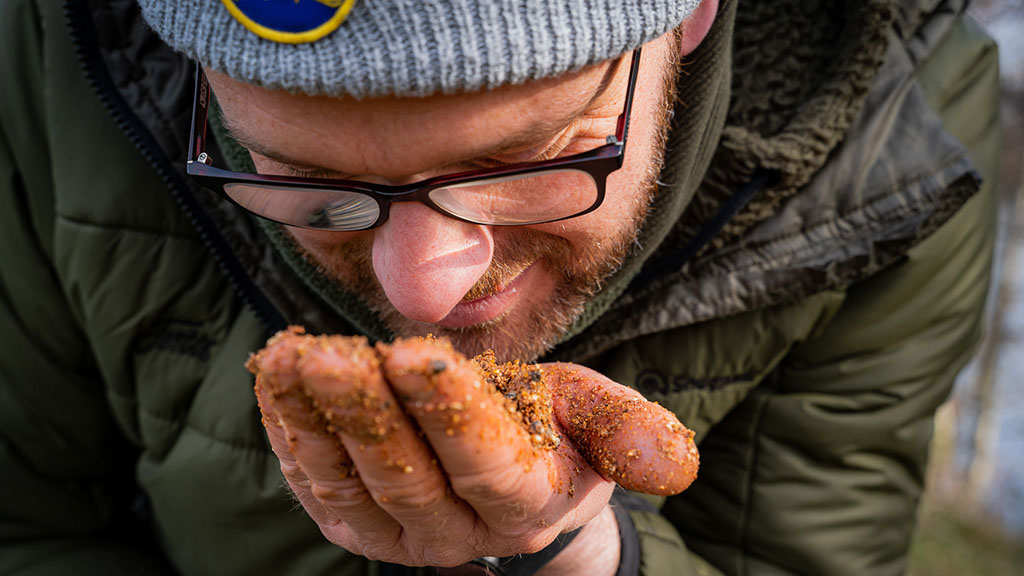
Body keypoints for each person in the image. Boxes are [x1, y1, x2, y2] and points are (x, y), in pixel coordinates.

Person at [0, 0, 1001, 574]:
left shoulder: (898, 142)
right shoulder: (46, 57)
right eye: (300, 177)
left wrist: (582, 556)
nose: (423, 292)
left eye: (520, 162)